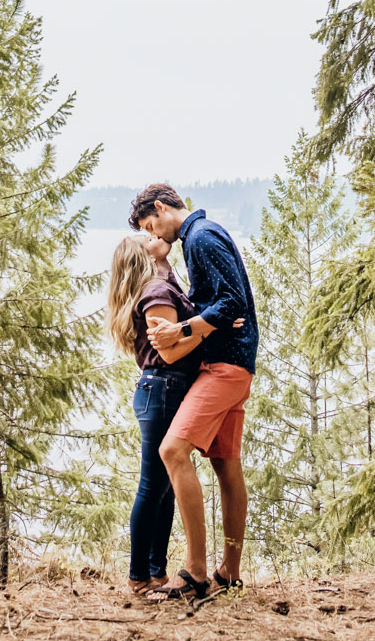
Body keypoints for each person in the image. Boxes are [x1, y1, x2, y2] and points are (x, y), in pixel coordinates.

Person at [131, 182, 259, 602]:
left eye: (151, 225)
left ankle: (196, 571)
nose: (153, 235)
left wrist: (186, 328)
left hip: (225, 366)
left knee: (172, 451)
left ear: (163, 207)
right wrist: (209, 320)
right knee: (225, 463)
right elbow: (221, 306)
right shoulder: (200, 238)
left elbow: (232, 303)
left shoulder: (200, 237)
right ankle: (230, 572)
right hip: (234, 362)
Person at [104, 233, 213, 595]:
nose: (154, 235)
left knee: (164, 488)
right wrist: (210, 326)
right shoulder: (155, 293)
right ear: (141, 255)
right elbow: (169, 353)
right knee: (153, 487)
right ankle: (138, 576)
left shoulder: (163, 285)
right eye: (144, 236)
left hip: (161, 389)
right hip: (164, 385)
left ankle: (155, 573)